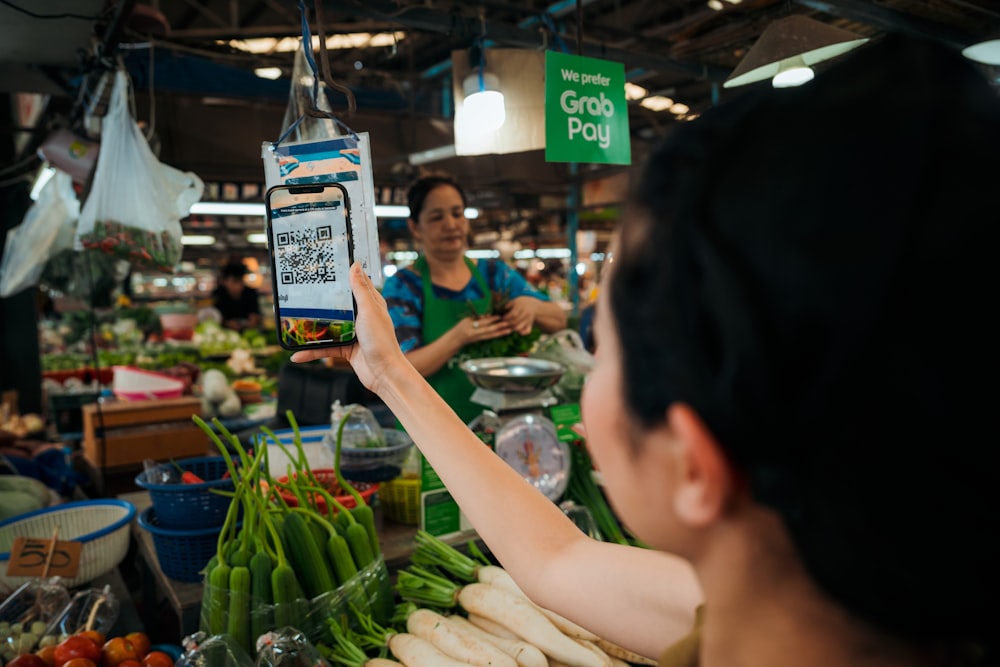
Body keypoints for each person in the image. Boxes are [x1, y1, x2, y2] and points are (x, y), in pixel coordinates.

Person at [291, 34, 999, 667]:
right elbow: (556, 557)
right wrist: (388, 373)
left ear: (695, 464)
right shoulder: (813, 594)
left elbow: (559, 560)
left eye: (608, 347)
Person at [380, 175, 567, 423]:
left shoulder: (494, 275)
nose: (451, 224)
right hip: (430, 428)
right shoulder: (404, 286)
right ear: (415, 227)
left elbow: (558, 320)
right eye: (437, 217)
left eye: (457, 214)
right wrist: (459, 336)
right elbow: (401, 367)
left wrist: (531, 306)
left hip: (499, 422)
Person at [212, 260, 261, 331]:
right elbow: (212, 316)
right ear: (224, 282)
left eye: (240, 281)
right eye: (234, 281)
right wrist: (227, 323)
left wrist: (252, 321)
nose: (238, 286)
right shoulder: (218, 294)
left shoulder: (250, 293)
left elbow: (254, 315)